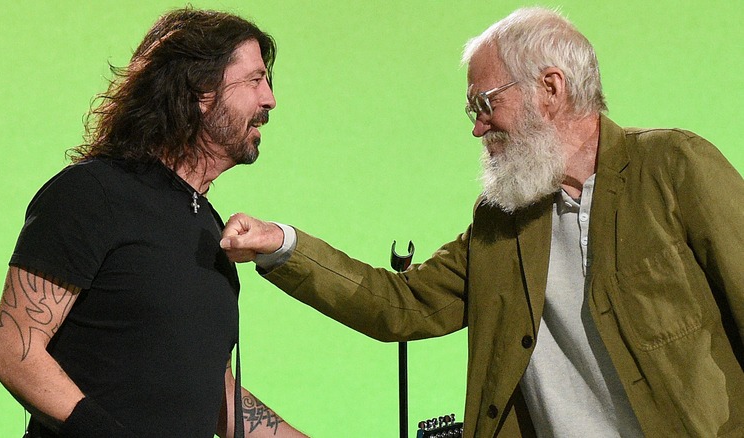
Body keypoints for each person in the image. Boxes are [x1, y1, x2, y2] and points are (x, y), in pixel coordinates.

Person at [219, 7, 744, 438]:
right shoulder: (502, 221)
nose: (476, 127)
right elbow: (402, 305)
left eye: (485, 103)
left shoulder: (676, 166)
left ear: (551, 88)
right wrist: (279, 244)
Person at [0, 7, 307, 438]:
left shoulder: (208, 229)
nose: (269, 99)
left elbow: (209, 391)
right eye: (254, 79)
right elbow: (15, 355)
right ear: (201, 90)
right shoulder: (93, 192)